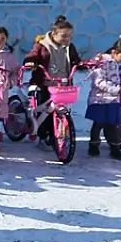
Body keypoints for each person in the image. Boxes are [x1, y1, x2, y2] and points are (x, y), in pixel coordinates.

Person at [23, 15, 81, 146]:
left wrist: (83, 64)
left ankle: (56, 135)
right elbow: (32, 55)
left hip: (62, 84)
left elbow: (76, 60)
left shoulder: (69, 47)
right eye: (64, 36)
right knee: (45, 112)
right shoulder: (42, 45)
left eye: (69, 36)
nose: (67, 39)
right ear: (54, 34)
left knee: (58, 110)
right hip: (44, 84)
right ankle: (43, 136)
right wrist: (30, 62)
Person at [85, 38, 121, 160]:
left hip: (114, 101)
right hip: (99, 99)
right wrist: (117, 89)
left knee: (112, 124)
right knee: (98, 123)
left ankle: (114, 148)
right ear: (114, 52)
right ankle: (93, 145)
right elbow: (99, 81)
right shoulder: (102, 62)